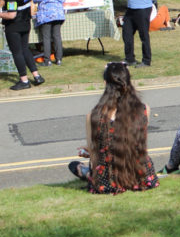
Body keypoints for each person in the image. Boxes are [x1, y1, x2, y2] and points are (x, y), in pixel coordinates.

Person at [68, 63, 159, 194]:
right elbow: (138, 144)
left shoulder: (93, 116)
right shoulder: (144, 110)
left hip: (109, 181)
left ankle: (84, 173)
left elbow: (94, 157)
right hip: (142, 176)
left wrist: (95, 148)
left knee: (74, 165)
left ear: (105, 83)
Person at [0, 0, 44, 91]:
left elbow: (11, 14)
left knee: (17, 53)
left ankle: (24, 80)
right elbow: (19, 0)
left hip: (14, 26)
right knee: (25, 49)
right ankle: (37, 76)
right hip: (26, 23)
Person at [33, 0, 66, 67]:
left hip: (46, 13)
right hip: (58, 12)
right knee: (57, 36)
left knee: (46, 37)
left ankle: (47, 60)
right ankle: (59, 59)